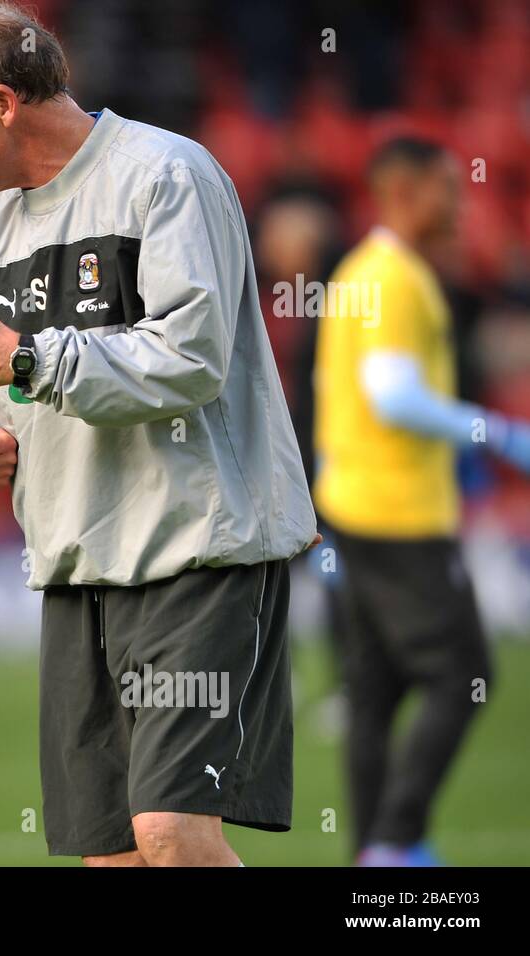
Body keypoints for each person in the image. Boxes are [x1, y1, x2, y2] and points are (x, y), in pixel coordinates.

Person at [0, 2, 317, 866]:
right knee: (112, 853)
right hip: (79, 566)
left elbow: (190, 358)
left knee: (171, 831)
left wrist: (25, 367)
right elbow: (26, 384)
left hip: (198, 546)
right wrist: (0, 436)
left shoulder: (165, 175)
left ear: (2, 102)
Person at [313, 136, 530, 865]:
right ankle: (398, 842)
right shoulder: (394, 279)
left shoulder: (363, 273)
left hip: (351, 505)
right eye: (447, 187)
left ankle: (372, 859)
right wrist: (495, 431)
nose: (462, 200)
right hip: (397, 514)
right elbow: (393, 395)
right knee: (464, 673)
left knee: (374, 694)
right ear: (403, 193)